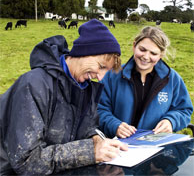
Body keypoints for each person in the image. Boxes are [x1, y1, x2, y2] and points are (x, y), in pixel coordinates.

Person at [0, 19, 128, 175]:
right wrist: (90, 151)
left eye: (105, 72)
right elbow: (26, 161)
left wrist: (96, 139)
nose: (100, 78)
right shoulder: (34, 85)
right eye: (101, 67)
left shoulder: (86, 88)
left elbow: (85, 128)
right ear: (84, 52)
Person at [97, 26, 193, 138]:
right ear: (134, 46)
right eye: (142, 50)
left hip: (156, 149)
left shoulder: (172, 79)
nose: (146, 57)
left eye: (153, 53)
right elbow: (98, 109)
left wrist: (171, 121)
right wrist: (114, 125)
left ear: (161, 54)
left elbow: (184, 110)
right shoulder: (112, 75)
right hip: (116, 148)